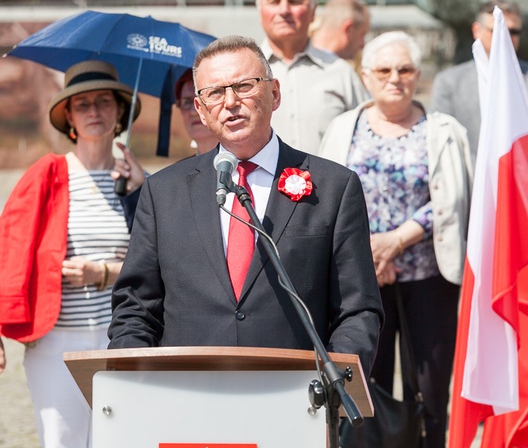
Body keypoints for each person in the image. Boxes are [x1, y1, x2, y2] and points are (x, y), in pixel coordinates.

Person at [108, 35, 383, 382]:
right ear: (201, 109)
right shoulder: (163, 192)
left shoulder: (333, 188)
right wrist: (132, 380)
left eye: (244, 86)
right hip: (188, 397)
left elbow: (356, 310)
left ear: (275, 94)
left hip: (296, 397)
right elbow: (135, 307)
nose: (231, 102)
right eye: (215, 93)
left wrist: (334, 385)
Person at [0, 59, 146, 448]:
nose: (93, 111)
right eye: (82, 103)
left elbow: (160, 263)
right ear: (67, 116)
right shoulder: (49, 172)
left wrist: (105, 269)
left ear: (120, 110)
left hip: (120, 340)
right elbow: (10, 245)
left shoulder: (138, 182)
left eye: (104, 101)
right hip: (56, 339)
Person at [320, 31, 472, 448]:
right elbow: (330, 198)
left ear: (418, 74)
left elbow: (453, 197)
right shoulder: (344, 128)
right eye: (383, 70)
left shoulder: (443, 128)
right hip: (363, 277)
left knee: (429, 383)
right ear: (365, 76)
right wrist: (371, 250)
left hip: (428, 273)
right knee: (366, 380)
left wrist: (397, 240)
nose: (395, 79)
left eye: (404, 70)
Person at [256, 0, 367, 153]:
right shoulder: (242, 74)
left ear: (313, 11)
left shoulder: (341, 73)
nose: (284, 10)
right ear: (260, 10)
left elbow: (367, 137)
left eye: (294, 1)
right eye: (274, 1)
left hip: (330, 180)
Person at [430, 0, 528, 155]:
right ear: (477, 30)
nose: (506, 37)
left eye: (513, 32)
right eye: (498, 30)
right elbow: (441, 143)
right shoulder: (449, 82)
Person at [309, 0, 371, 66]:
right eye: (362, 35)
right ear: (348, 29)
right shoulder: (343, 73)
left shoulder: (296, 58)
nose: (362, 44)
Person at [174, 69, 218, 155]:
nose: (194, 111)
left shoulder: (245, 166)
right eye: (187, 102)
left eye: (202, 100)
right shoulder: (183, 168)